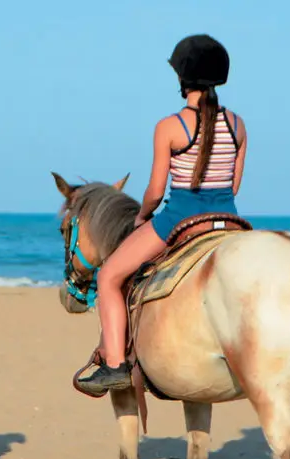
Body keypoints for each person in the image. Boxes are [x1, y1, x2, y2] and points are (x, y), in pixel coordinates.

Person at [76, 34, 248, 396]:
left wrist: (142, 217)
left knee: (108, 277)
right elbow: (233, 187)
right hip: (229, 220)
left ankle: (115, 365)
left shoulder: (170, 126)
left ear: (182, 79)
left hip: (180, 218)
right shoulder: (237, 125)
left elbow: (156, 190)